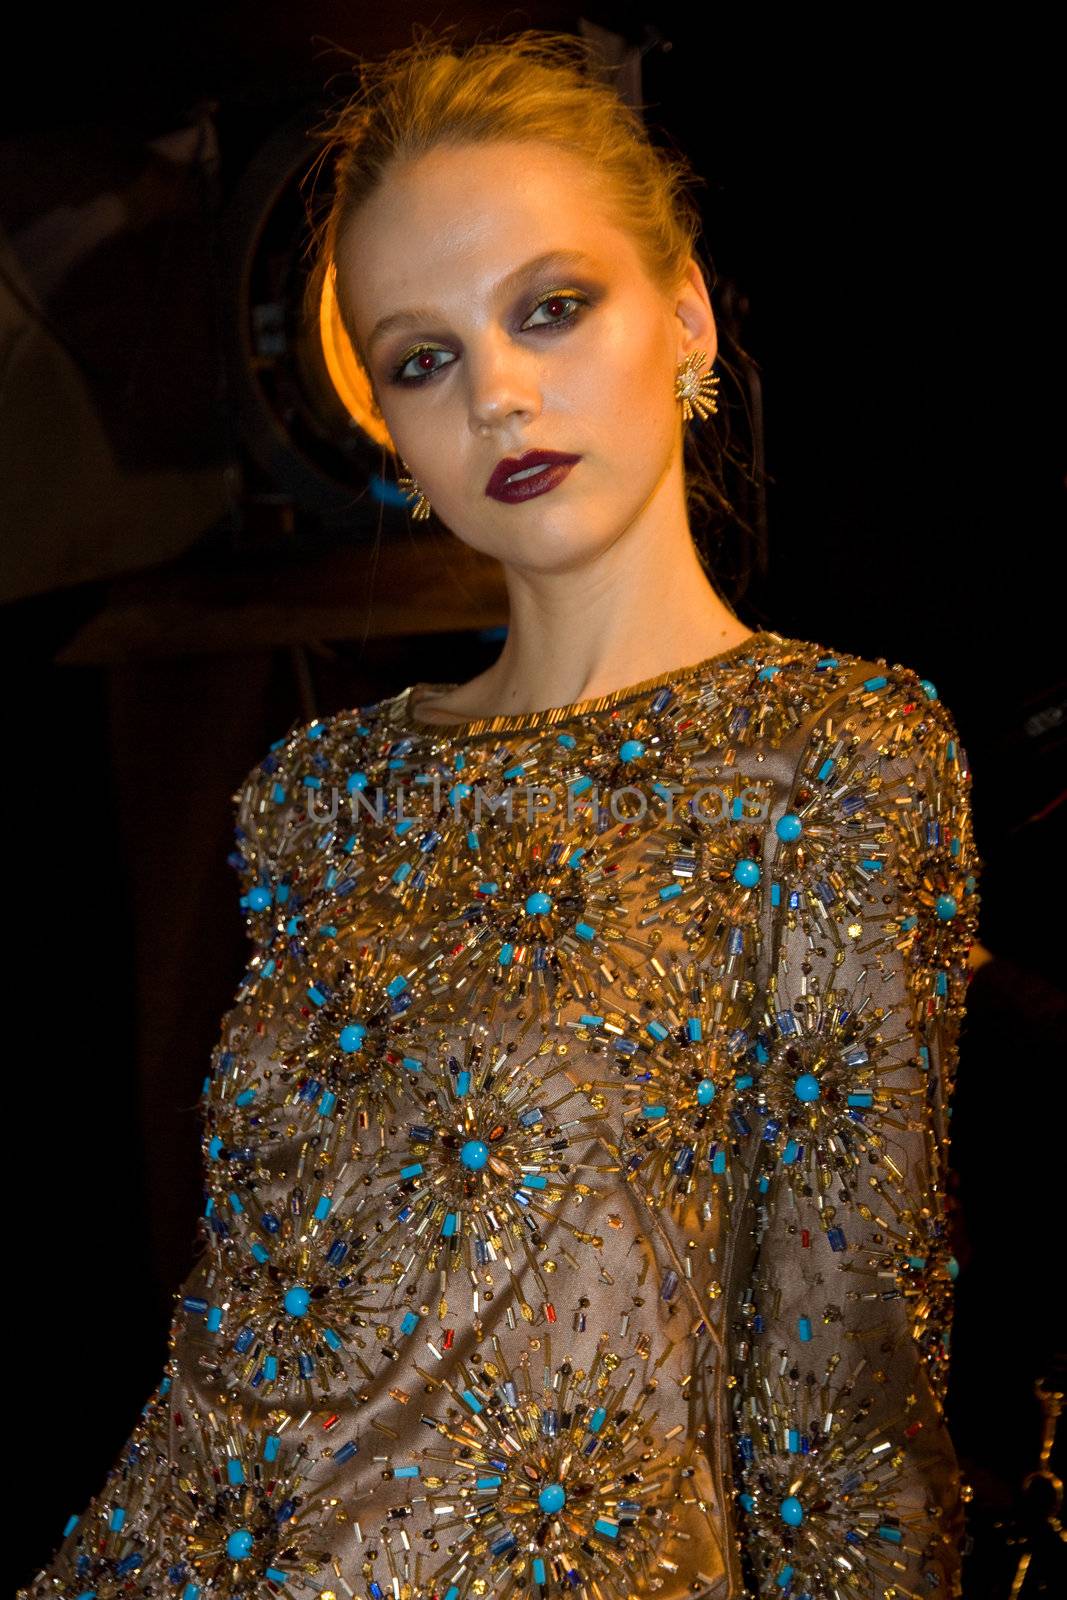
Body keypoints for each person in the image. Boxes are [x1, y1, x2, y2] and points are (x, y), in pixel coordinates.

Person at [20, 27, 982, 1600]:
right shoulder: (316, 800)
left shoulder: (836, 754)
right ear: (390, 432)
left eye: (549, 306)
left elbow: (846, 1399)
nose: (500, 393)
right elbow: (246, 1330)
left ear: (682, 311)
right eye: (424, 356)